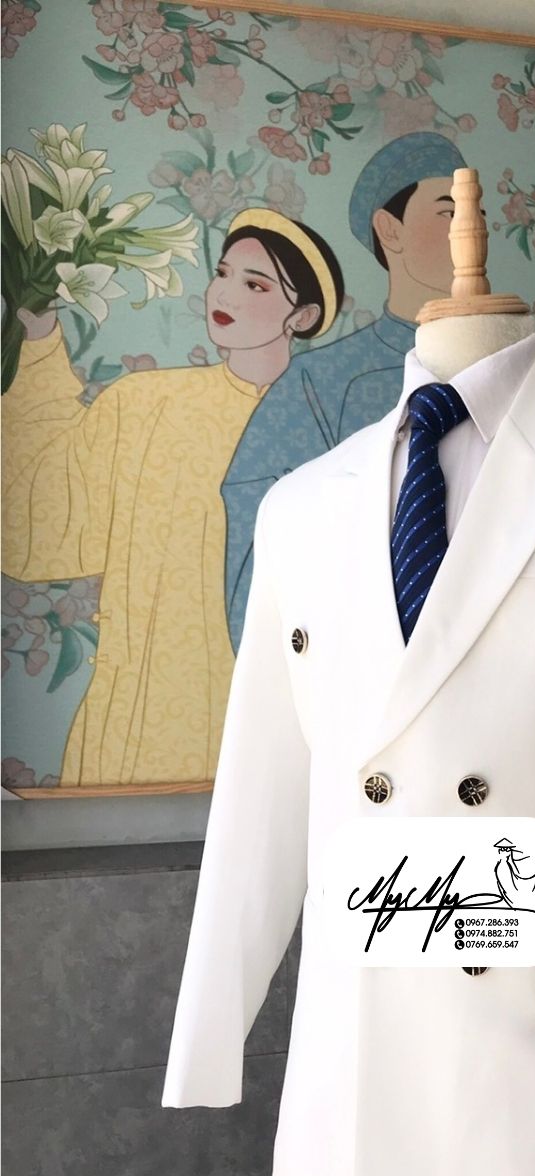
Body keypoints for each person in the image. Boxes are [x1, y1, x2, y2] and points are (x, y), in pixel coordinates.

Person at [1, 208, 343, 788]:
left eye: (256, 285)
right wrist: (39, 346)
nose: (225, 293)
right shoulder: (143, 403)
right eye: (223, 273)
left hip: (283, 712)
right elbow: (45, 522)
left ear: (302, 316)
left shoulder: (329, 424)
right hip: (144, 709)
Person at [221, 131, 467, 651]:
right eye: (449, 211)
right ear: (389, 230)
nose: (472, 228)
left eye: (477, 212)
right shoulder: (319, 382)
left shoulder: (522, 375)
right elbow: (257, 550)